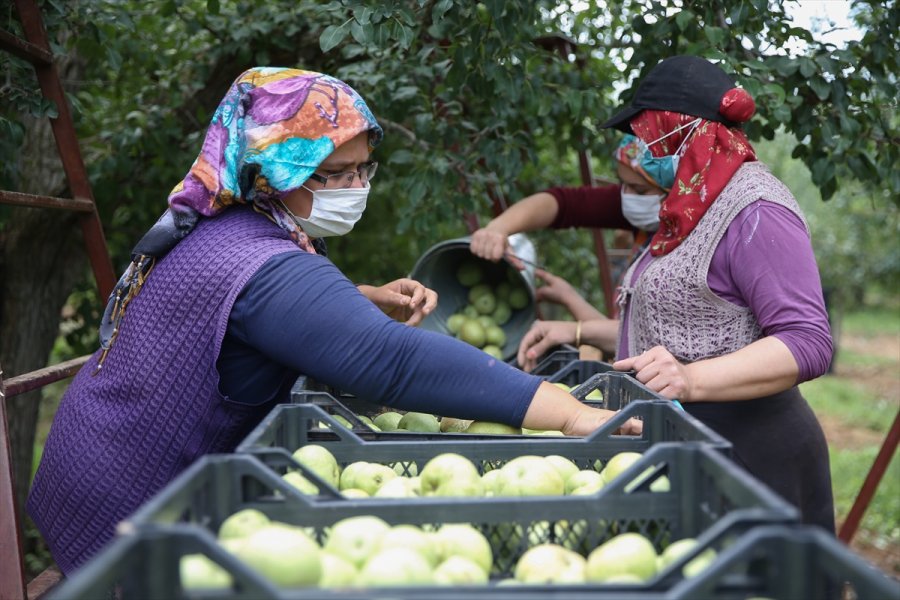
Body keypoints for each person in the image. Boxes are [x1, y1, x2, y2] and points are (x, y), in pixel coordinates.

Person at [26, 67, 640, 575]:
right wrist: (571, 413)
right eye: (333, 175)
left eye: (363, 169)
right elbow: (390, 361)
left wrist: (358, 296)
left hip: (106, 452)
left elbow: (254, 313)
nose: (355, 187)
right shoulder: (259, 258)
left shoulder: (242, 224)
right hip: (128, 496)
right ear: (277, 169)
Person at [515, 56, 836, 532]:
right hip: (691, 447)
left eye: (646, 135)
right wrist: (576, 328)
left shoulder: (756, 209)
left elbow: (808, 342)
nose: (640, 148)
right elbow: (683, 324)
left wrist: (691, 379)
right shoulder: (689, 206)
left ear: (678, 132)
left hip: (750, 456)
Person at [469, 134, 669, 330]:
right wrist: (498, 228)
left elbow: (639, 341)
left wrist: (575, 327)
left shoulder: (690, 252)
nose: (627, 196)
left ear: (673, 186)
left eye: (639, 190)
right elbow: (563, 204)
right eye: (622, 184)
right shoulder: (645, 204)